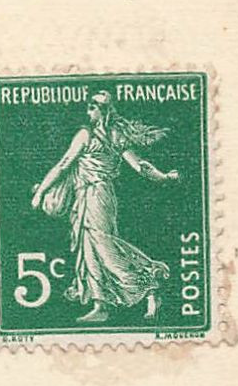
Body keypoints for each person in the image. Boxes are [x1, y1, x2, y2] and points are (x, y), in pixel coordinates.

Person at [30, 91, 178, 323]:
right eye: (88, 106)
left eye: (93, 106)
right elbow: (141, 166)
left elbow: (63, 165)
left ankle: (148, 282)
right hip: (90, 195)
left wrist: (40, 192)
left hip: (96, 195)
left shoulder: (87, 135)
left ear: (103, 110)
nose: (89, 110)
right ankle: (101, 304)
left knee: (102, 244)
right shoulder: (113, 135)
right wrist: (163, 177)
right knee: (90, 247)